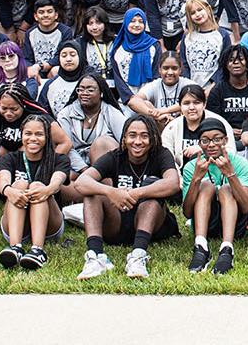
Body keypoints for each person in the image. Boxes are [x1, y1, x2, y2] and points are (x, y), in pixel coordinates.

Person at [74, 114, 182, 279]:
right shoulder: (115, 156)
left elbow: (173, 183)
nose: (137, 141)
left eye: (144, 136)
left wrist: (136, 192)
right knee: (92, 192)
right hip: (117, 222)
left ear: (152, 139)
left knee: (153, 186)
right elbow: (81, 182)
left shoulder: (161, 154)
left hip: (151, 223)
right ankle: (96, 256)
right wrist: (111, 192)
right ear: (124, 138)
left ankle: (138, 256)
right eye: (132, 135)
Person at [0, 114, 70, 270]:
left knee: (36, 186)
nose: (33, 138)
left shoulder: (59, 159)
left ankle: (37, 250)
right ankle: (15, 247)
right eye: (28, 134)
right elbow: (3, 181)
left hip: (49, 223)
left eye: (39, 134)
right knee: (19, 184)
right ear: (21, 135)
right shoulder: (10, 158)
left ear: (47, 137)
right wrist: (10, 191)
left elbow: (57, 182)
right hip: (16, 222)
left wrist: (46, 190)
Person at [180, 118, 248, 274]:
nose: (211, 145)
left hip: (236, 224)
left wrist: (230, 174)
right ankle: (200, 246)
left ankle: (227, 248)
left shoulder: (240, 163)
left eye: (217, 139)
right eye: (205, 140)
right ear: (199, 143)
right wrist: (196, 179)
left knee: (226, 189)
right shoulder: (192, 166)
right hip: (206, 223)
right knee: (206, 185)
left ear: (226, 140)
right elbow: (187, 212)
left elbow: (247, 206)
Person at [106, 8, 164, 103]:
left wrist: (147, 96)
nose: (137, 25)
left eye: (141, 22)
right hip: (127, 100)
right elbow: (117, 77)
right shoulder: (117, 47)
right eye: (132, 21)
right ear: (125, 22)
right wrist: (130, 98)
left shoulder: (154, 45)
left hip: (149, 99)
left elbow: (156, 74)